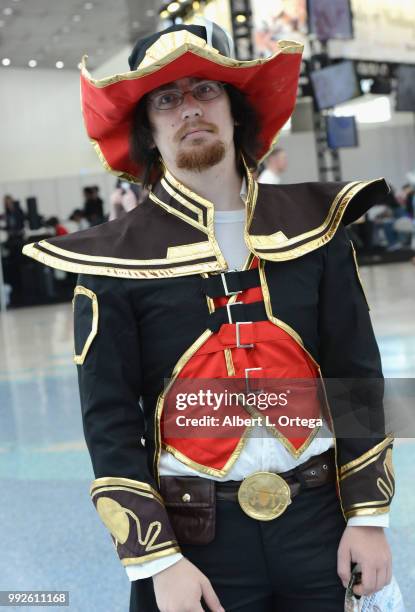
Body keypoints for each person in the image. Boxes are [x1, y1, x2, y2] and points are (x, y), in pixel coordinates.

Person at [23, 21, 395, 612]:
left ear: (235, 109)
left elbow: (355, 373)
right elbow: (111, 420)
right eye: (166, 99)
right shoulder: (113, 258)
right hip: (195, 544)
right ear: (146, 127)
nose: (188, 109)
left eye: (205, 90)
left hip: (321, 524)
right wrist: (160, 562)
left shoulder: (314, 227)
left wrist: (369, 516)